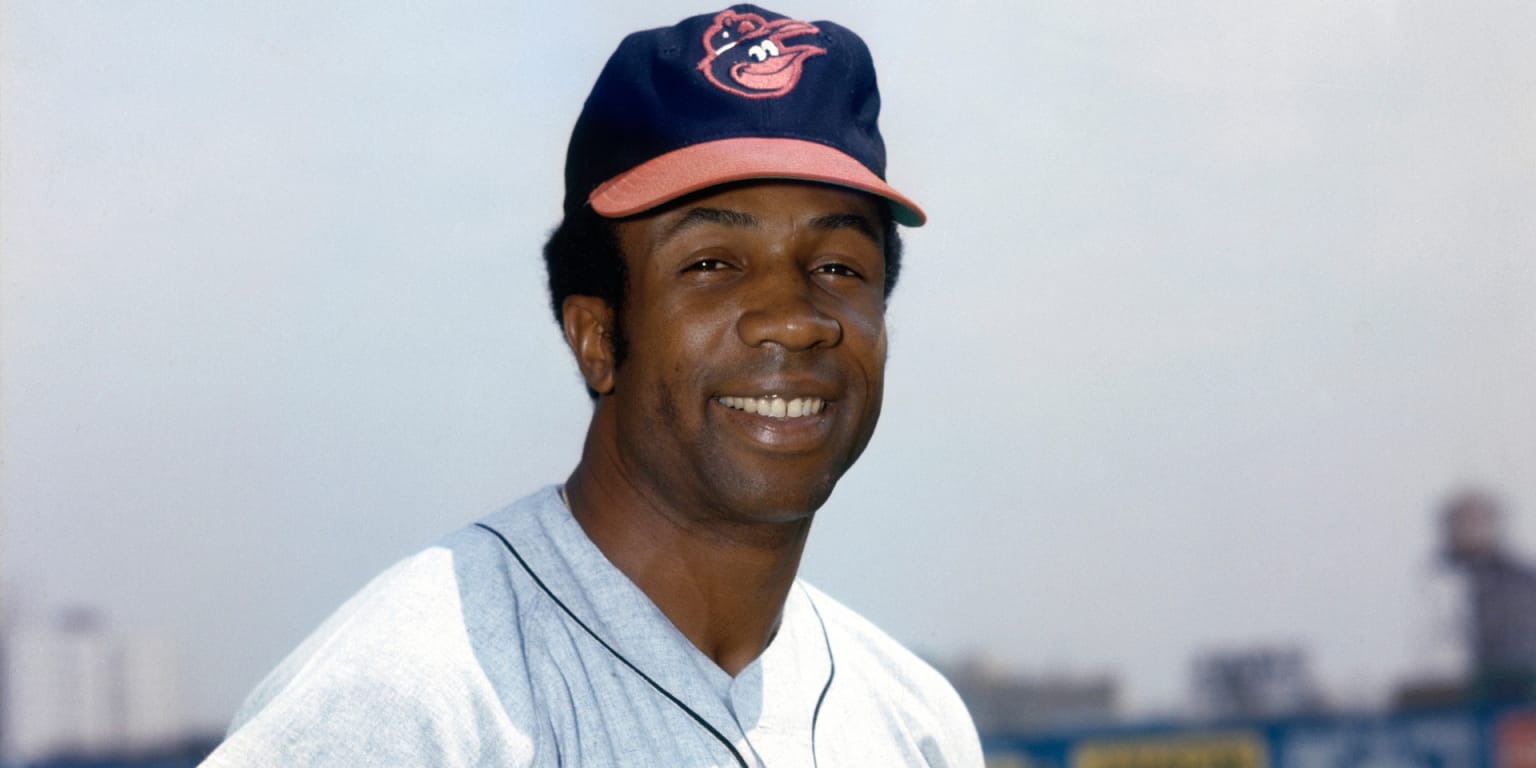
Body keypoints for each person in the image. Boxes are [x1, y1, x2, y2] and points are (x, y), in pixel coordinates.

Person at [202, 5, 982, 766]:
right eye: (712, 263)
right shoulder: (414, 697)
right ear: (597, 336)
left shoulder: (914, 721)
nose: (793, 319)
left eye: (838, 267)